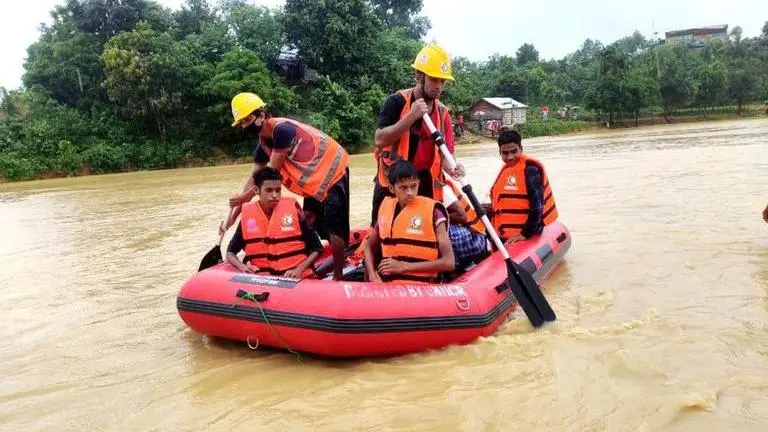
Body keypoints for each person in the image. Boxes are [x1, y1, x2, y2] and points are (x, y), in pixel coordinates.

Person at [227, 92, 350, 280]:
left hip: (333, 172)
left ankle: (339, 276)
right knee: (308, 220)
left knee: (334, 225)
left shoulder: (282, 131)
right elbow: (253, 179)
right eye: (242, 123)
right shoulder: (263, 145)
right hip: (313, 183)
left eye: (248, 120)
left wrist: (247, 196)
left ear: (261, 114)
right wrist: (233, 217)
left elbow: (271, 173)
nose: (246, 126)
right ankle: (304, 266)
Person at [371, 42, 465, 225]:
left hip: (423, 183)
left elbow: (446, 157)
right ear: (419, 76)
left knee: (424, 230)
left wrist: (454, 167)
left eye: (442, 81)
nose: (439, 86)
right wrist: (411, 117)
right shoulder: (396, 102)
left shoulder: (443, 113)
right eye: (434, 79)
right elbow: (379, 139)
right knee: (383, 231)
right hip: (393, 182)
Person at [363, 160, 455, 283]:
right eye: (403, 188)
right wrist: (372, 274)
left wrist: (403, 267)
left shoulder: (434, 212)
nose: (409, 192)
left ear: (419, 184)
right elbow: (368, 245)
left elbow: (449, 262)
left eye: (413, 186)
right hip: (389, 286)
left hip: (424, 287)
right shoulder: (386, 208)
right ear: (391, 188)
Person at [226, 168, 324, 278]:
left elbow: (317, 248)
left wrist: (299, 270)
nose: (274, 195)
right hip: (263, 279)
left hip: (296, 277)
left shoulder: (294, 211)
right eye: (269, 190)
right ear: (257, 190)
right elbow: (230, 252)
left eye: (278, 190)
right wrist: (242, 267)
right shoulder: (248, 216)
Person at [487, 129, 559, 242]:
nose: (510, 157)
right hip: (504, 233)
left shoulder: (530, 169)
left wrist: (524, 234)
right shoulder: (506, 170)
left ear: (521, 149)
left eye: (514, 151)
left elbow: (538, 206)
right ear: (499, 152)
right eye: (505, 153)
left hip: (525, 232)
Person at [442, 178, 489, 269]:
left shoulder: (442, 189)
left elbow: (462, 216)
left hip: (474, 236)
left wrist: (436, 217)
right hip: (468, 230)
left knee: (443, 228)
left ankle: (460, 265)